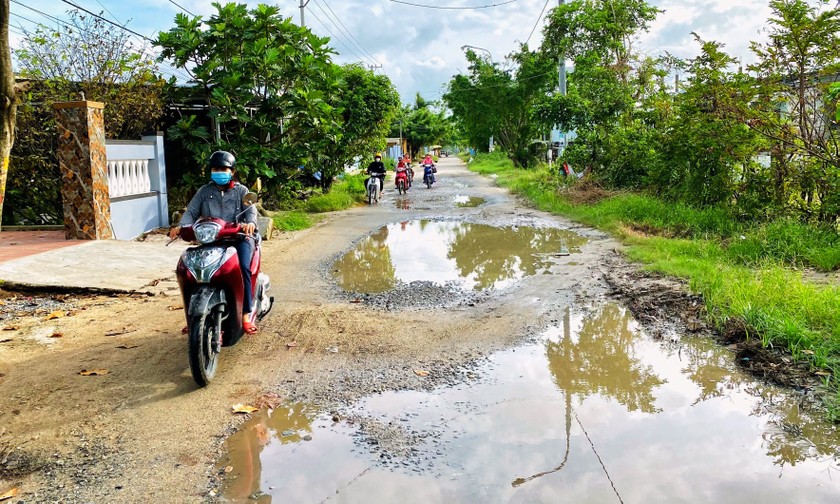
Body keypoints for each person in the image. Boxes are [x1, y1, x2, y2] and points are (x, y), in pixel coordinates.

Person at [168, 150, 260, 334]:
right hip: (212, 239)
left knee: (242, 268)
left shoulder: (241, 191)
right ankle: (194, 317)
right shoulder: (204, 191)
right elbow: (191, 212)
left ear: (232, 171)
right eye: (216, 168)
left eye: (224, 169)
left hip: (238, 239)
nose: (219, 172)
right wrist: (181, 226)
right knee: (191, 271)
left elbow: (251, 212)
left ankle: (245, 315)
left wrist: (249, 224)